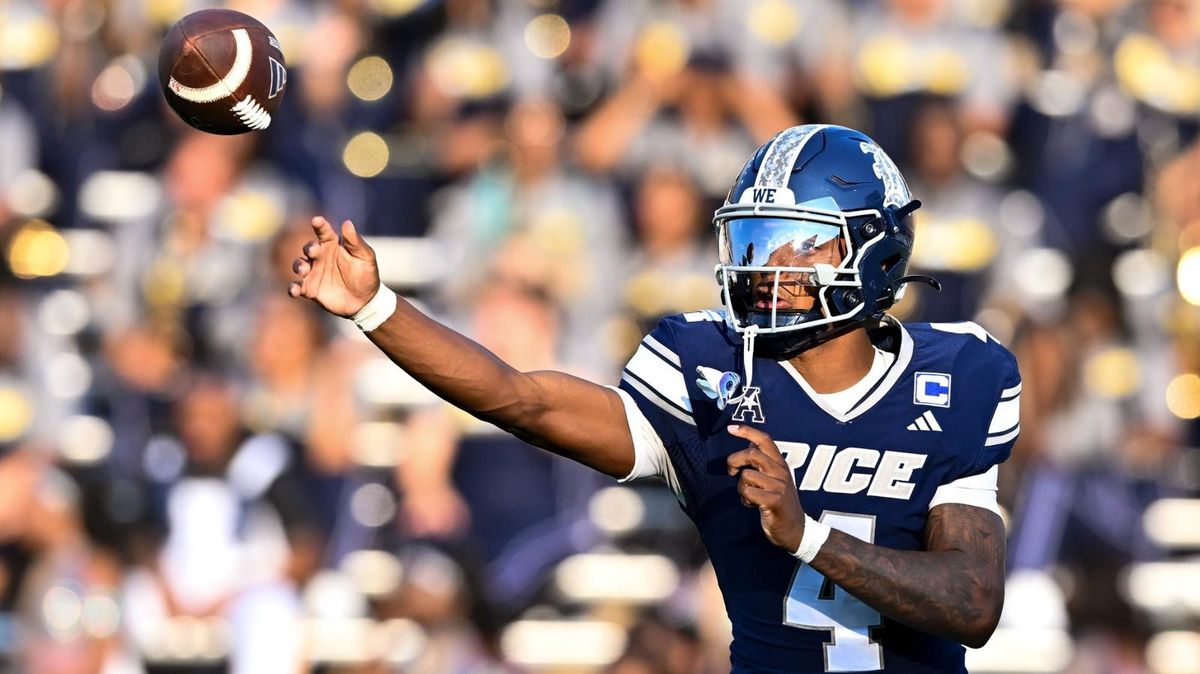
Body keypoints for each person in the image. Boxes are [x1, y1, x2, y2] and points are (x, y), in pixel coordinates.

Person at [289, 124, 1021, 673]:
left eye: (794, 245)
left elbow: (971, 602)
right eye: (754, 242)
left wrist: (806, 536)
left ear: (875, 252)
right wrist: (377, 307)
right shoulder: (705, 369)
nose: (763, 268)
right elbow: (523, 401)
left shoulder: (959, 373)